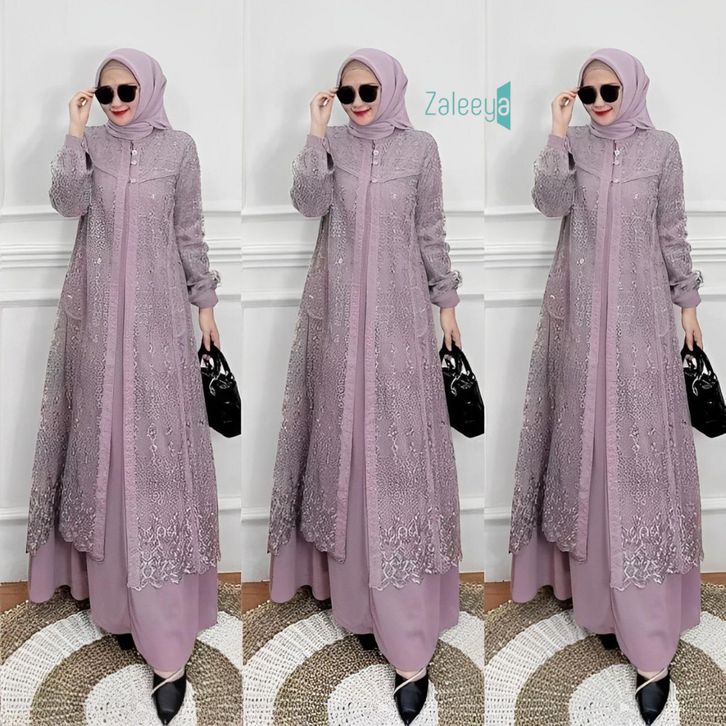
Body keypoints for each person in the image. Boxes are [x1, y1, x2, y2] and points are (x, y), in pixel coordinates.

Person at [266, 48, 463, 724]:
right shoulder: (334, 144)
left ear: (392, 89)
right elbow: (307, 203)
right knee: (346, 457)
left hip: (401, 323)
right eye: (347, 92)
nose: (356, 102)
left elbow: (430, 230)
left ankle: (407, 628)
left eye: (367, 91)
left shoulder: (421, 149)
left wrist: (446, 303)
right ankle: (355, 601)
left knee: (396, 461)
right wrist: (315, 132)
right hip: (338, 325)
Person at [26, 48, 222, 725]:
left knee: (154, 462)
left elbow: (189, 231)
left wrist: (204, 305)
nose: (115, 102)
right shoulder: (93, 145)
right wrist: (73, 132)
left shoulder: (179, 149)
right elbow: (66, 203)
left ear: (150, 89)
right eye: (106, 92)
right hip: (96, 327)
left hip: (159, 326)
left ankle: (165, 628)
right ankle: (113, 603)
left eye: (126, 91)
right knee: (103, 458)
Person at [508, 48, 703, 725]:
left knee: (638, 466)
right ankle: (597, 602)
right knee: (589, 460)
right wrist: (557, 132)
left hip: (643, 326)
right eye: (588, 92)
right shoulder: (578, 145)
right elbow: (548, 203)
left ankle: (650, 636)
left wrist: (687, 305)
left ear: (633, 88)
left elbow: (672, 230)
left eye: (608, 90)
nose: (597, 102)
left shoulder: (662, 149)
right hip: (580, 329)